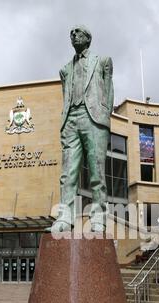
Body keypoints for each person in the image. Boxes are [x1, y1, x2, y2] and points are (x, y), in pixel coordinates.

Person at [49, 25, 114, 233]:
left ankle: (98, 218)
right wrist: (65, 119)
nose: (73, 35)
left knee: (96, 171)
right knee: (67, 173)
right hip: (71, 119)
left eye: (78, 32)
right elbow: (65, 95)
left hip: (93, 118)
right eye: (71, 33)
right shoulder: (65, 70)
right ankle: (64, 218)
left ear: (88, 38)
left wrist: (104, 116)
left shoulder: (102, 61)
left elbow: (108, 91)